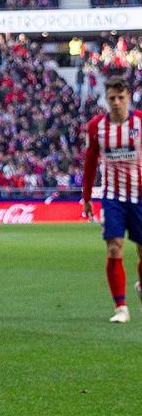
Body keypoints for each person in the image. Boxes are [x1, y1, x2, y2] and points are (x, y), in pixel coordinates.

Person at [82, 76, 142, 323]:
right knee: (114, 247)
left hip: (140, 196)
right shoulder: (97, 127)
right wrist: (86, 197)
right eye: (112, 99)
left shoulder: (140, 122)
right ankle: (121, 308)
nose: (116, 103)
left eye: (121, 97)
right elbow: (90, 161)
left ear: (128, 97)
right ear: (106, 100)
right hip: (112, 197)